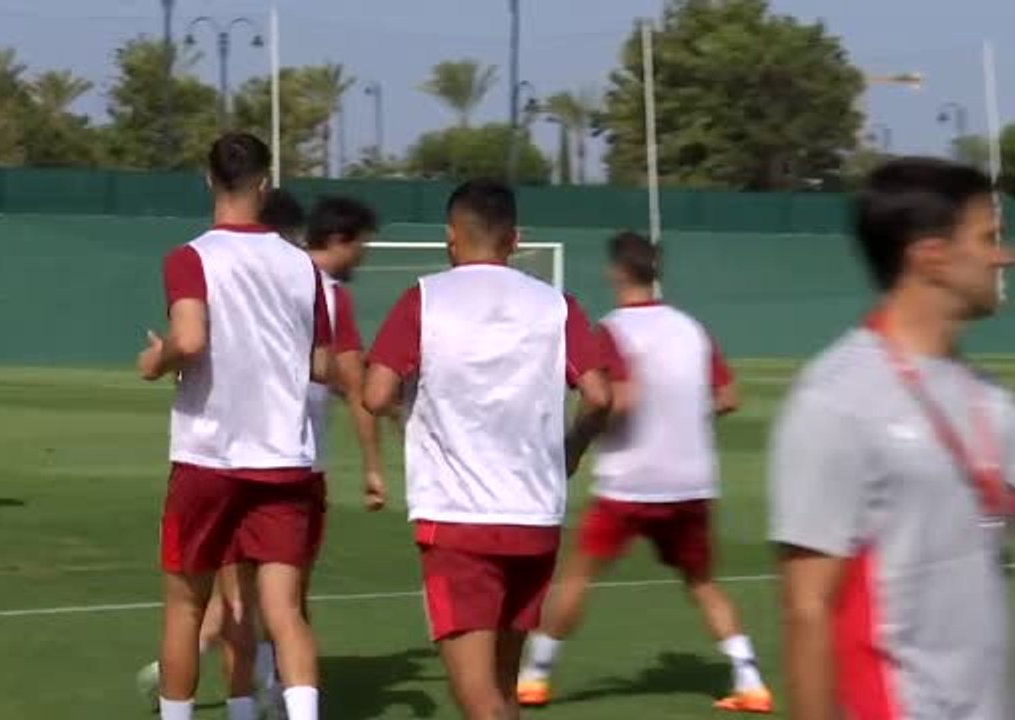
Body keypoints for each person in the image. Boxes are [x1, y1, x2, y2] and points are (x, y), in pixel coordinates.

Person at [770, 157, 1014, 720]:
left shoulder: (987, 396)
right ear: (931, 254)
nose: (1004, 255)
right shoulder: (837, 398)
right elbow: (808, 609)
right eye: (989, 238)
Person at [363, 179, 612, 720]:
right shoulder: (556, 305)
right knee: (502, 690)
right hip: (535, 516)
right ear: (516, 239)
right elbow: (598, 395)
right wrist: (569, 451)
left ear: (451, 237)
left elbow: (375, 391)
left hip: (458, 520)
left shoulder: (424, 298)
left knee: (476, 698)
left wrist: (409, 415)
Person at [516, 230, 771, 713]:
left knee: (577, 575)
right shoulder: (692, 328)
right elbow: (727, 397)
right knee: (703, 584)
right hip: (691, 481)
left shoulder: (612, 329)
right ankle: (750, 679)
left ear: (615, 272)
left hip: (631, 482)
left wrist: (573, 445)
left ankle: (535, 677)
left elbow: (619, 399)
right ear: (656, 273)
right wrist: (680, 417)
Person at [139, 132, 330, 720]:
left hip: (210, 455)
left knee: (186, 608)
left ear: (208, 179)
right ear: (265, 185)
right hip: (285, 459)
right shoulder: (305, 267)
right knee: (286, 612)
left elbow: (191, 339)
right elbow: (321, 365)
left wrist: (157, 359)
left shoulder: (191, 257)